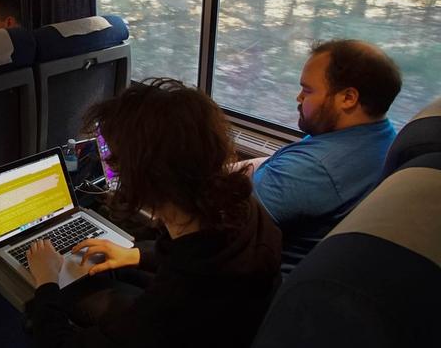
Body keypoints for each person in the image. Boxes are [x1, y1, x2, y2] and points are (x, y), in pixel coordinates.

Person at [27, 79, 282, 348]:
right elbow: (192, 254)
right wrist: (136, 254)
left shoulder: (172, 306)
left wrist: (46, 281)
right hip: (231, 325)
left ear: (144, 180)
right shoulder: (245, 207)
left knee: (59, 299)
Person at [250, 39, 402, 274]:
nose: (299, 98)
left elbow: (221, 224)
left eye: (307, 90)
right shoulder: (381, 135)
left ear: (348, 98)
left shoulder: (313, 169)